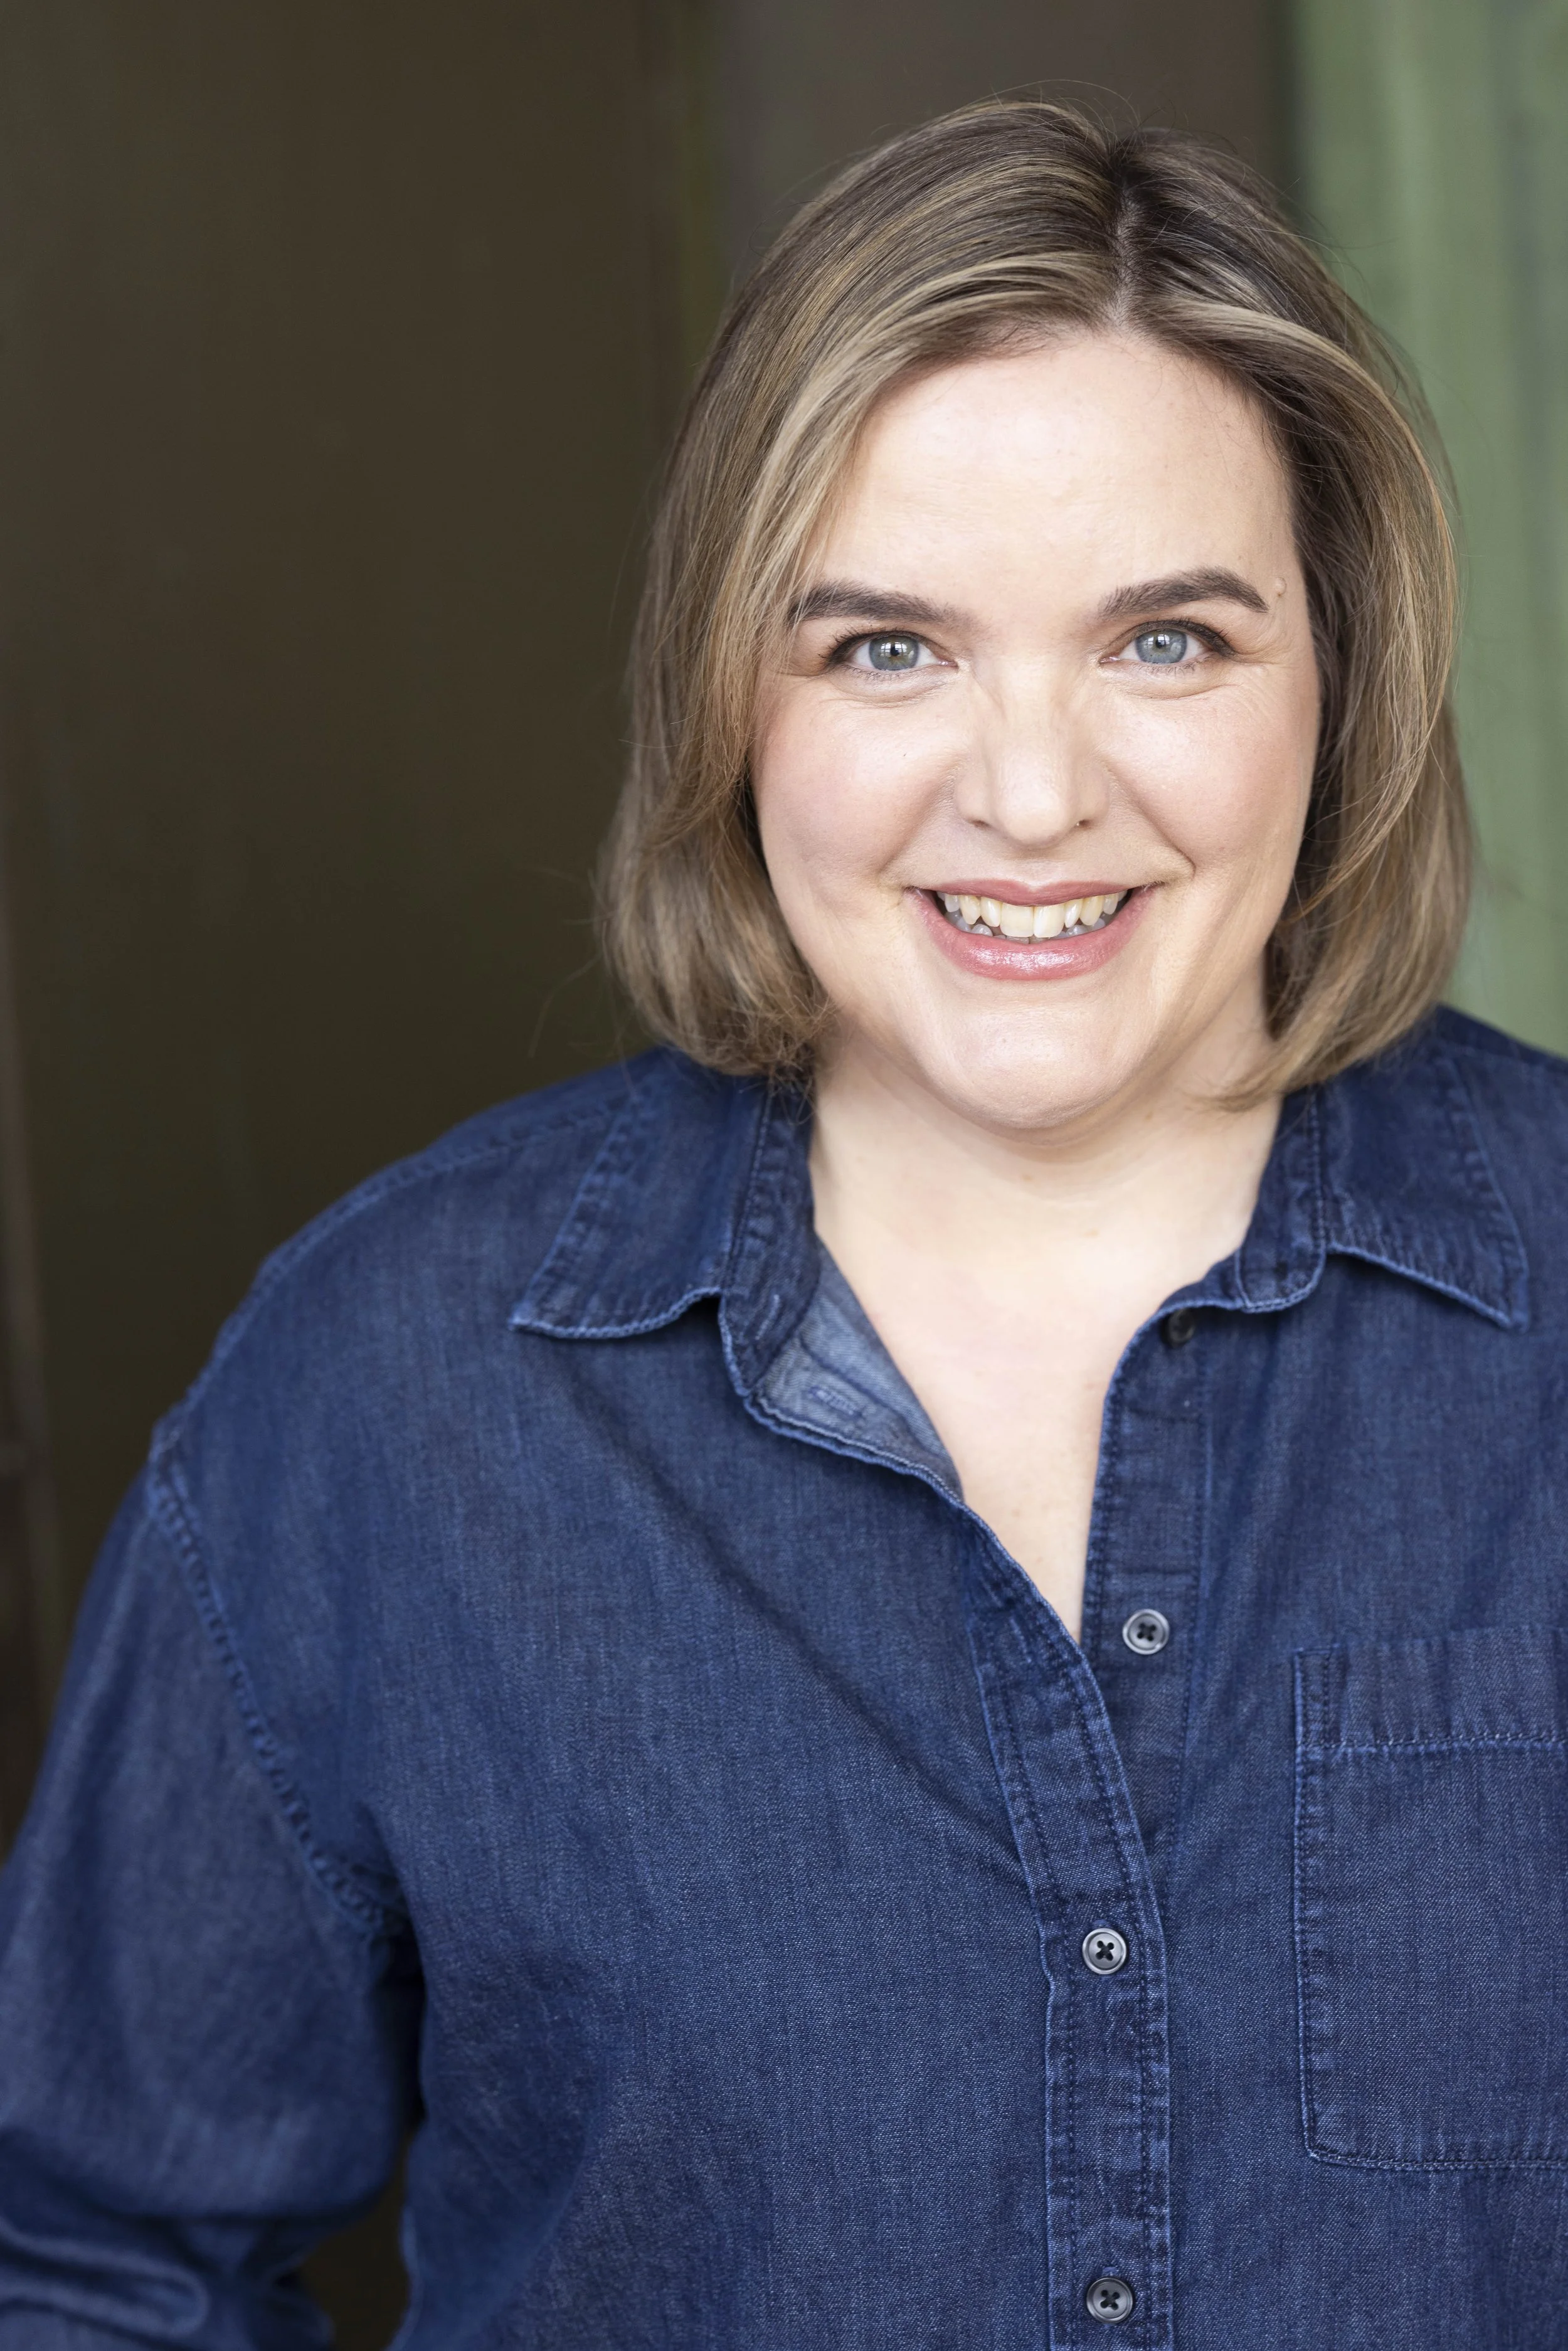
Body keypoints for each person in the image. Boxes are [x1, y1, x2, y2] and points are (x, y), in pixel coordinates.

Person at [0, 97, 1562, 2351]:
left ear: (1343, 678)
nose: (1030, 794)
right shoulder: (394, 1382)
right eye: (885, 650)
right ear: (733, 697)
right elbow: (81, 2264)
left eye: (1166, 643)